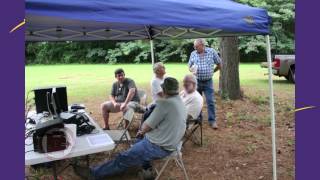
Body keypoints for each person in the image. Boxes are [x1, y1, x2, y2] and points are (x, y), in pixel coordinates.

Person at [74, 77, 187, 179]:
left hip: (159, 146)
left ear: (165, 90)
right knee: (138, 140)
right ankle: (146, 168)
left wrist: (142, 131)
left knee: (123, 157)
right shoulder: (181, 103)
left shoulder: (164, 104)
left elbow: (146, 126)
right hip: (173, 144)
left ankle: (94, 174)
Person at [188, 38, 221, 129]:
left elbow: (219, 64)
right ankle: (198, 119)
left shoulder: (211, 52)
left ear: (202, 45)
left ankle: (212, 121)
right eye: (194, 46)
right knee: (197, 101)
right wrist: (192, 70)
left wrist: (212, 72)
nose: (195, 48)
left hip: (208, 82)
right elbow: (189, 66)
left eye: (196, 46)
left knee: (210, 101)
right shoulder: (193, 54)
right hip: (196, 81)